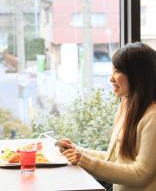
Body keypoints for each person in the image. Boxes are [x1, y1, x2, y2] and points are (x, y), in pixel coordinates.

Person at [57, 42, 156, 191]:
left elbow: (141, 175)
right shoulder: (126, 106)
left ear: (137, 75)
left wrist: (83, 160)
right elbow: (114, 159)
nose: (111, 78)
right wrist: (77, 151)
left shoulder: (153, 118)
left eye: (117, 71)